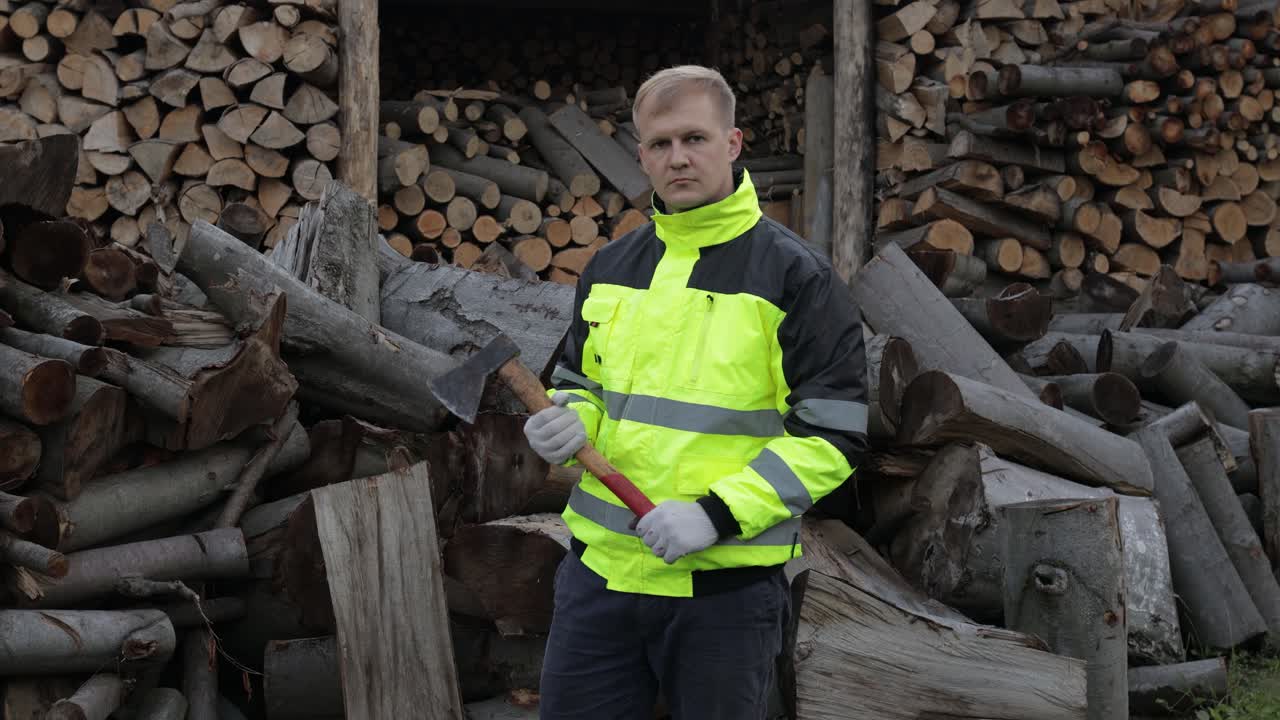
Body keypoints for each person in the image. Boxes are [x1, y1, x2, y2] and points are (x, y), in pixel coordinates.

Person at [523, 64, 870, 720]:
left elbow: (833, 436)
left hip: (726, 595)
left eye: (694, 139)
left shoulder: (798, 278)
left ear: (733, 144)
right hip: (600, 580)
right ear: (641, 156)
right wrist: (568, 419)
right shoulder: (609, 267)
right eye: (660, 144)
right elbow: (581, 381)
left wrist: (714, 514)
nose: (677, 158)